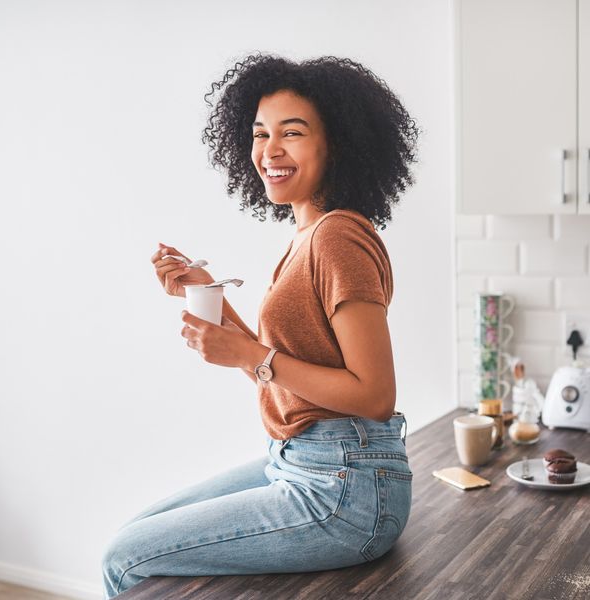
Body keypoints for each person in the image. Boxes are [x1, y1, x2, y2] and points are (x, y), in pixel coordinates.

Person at [102, 53, 419, 598]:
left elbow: (373, 396)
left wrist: (249, 356)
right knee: (132, 538)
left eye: (291, 133)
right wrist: (207, 294)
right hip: (305, 461)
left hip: (344, 489)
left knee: (125, 560)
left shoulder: (336, 238)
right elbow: (285, 379)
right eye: (259, 133)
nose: (269, 151)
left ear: (335, 144)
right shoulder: (307, 236)